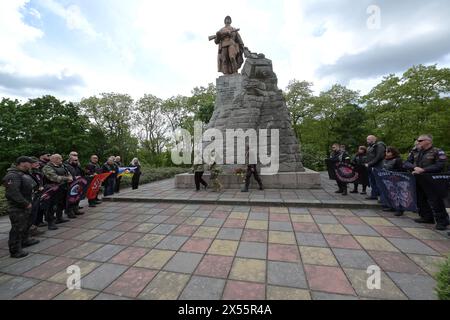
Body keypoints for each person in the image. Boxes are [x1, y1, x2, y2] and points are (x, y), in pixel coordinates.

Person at [405, 134, 449, 230]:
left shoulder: (437, 151)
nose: (418, 142)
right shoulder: (415, 151)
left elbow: (441, 165)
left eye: (420, 140)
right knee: (420, 199)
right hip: (418, 178)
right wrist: (414, 167)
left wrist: (424, 170)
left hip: (432, 180)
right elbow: (406, 163)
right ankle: (427, 217)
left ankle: (442, 221)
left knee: (435, 200)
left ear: (428, 141)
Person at [2, 157, 40, 258]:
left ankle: (25, 240)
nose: (31, 165)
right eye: (29, 163)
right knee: (17, 228)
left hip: (26, 205)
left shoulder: (23, 173)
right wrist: (25, 203)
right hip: (18, 207)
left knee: (25, 225)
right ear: (22, 163)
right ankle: (15, 251)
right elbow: (13, 193)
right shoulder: (12, 175)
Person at [42, 154, 73, 229]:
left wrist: (70, 177)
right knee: (51, 206)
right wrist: (66, 179)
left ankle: (59, 218)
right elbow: (54, 178)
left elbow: (68, 173)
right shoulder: (47, 167)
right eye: (60, 159)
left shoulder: (62, 166)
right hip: (52, 188)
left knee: (61, 203)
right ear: (55, 159)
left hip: (62, 188)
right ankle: (51, 222)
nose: (61, 160)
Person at [381, 147, 405, 216]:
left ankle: (400, 209)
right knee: (390, 194)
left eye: (388, 152)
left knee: (398, 194)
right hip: (387, 179)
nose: (386, 153)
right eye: (386, 152)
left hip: (396, 179)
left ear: (393, 152)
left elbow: (401, 170)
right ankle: (392, 206)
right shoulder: (385, 159)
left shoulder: (398, 160)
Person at [365, 135, 386, 200]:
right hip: (371, 167)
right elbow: (369, 157)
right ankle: (373, 195)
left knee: (378, 182)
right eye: (367, 139)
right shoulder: (370, 147)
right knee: (372, 182)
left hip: (377, 166)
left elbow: (379, 157)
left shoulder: (379, 145)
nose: (367, 141)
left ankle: (382, 198)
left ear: (373, 139)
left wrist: (369, 164)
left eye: (368, 139)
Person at [28, 157, 46, 236]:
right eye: (35, 163)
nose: (38, 164)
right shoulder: (29, 173)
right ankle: (31, 229)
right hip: (33, 195)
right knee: (32, 212)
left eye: (38, 163)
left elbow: (40, 180)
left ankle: (36, 225)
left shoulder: (37, 171)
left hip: (39, 193)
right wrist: (37, 188)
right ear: (30, 164)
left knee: (38, 210)